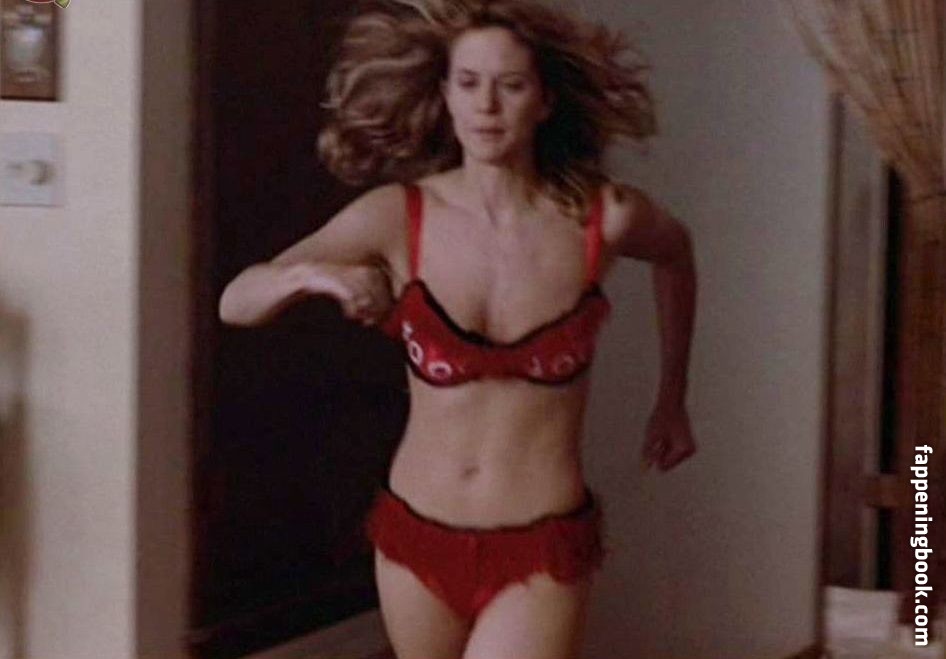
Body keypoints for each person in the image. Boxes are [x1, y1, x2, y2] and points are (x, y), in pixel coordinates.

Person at [218, 0, 697, 656]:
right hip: (415, 537)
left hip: (540, 545)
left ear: (545, 101)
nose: (486, 106)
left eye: (511, 85)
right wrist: (308, 277)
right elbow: (236, 301)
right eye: (468, 83)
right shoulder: (399, 216)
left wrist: (673, 399)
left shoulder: (602, 219)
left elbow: (676, 253)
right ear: (444, 94)